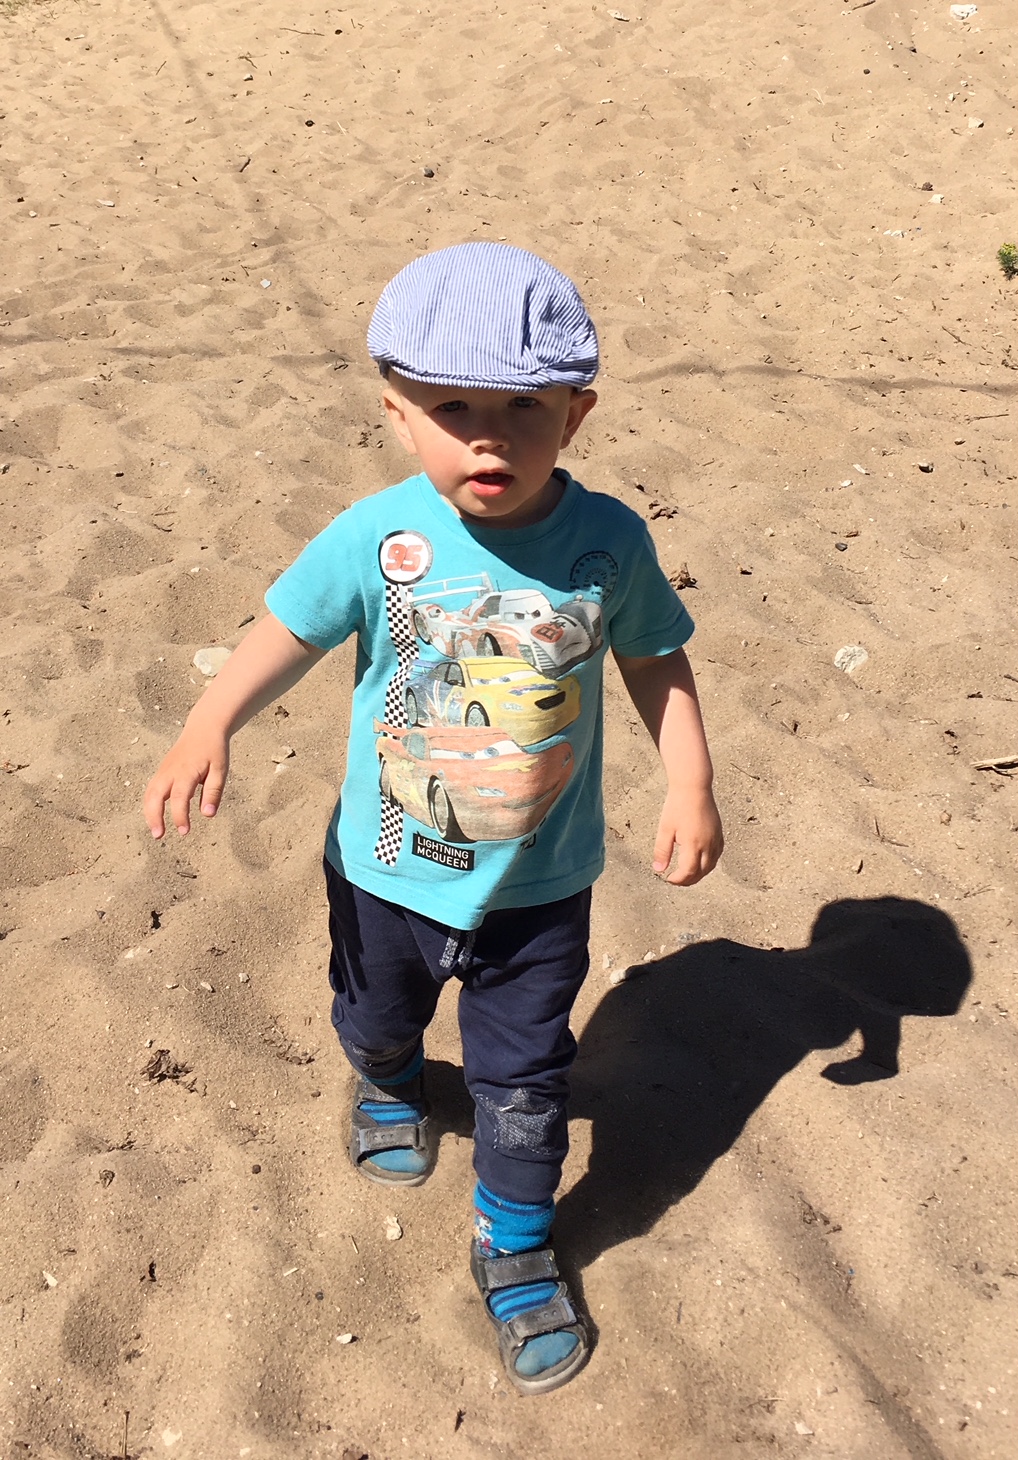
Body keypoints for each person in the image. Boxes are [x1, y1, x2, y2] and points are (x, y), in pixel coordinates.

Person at [144, 242, 724, 1395]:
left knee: (526, 1086)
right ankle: (388, 1078)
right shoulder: (377, 535)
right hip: (386, 871)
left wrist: (689, 779)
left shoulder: (608, 542)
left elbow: (655, 655)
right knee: (375, 1017)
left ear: (576, 413)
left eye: (523, 409)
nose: (487, 438)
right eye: (452, 408)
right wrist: (209, 720)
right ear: (397, 412)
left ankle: (513, 1241)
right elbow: (288, 630)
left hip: (539, 892)